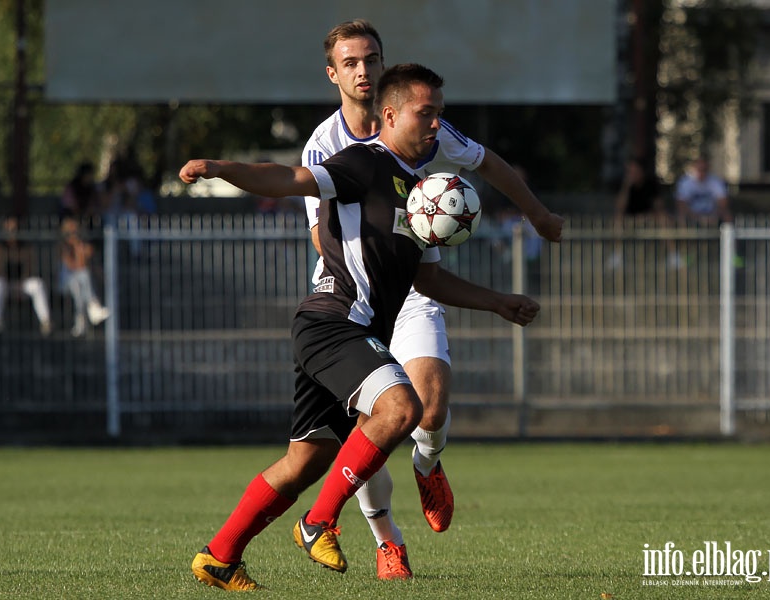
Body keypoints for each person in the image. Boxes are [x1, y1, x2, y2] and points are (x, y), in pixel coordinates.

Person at [179, 63, 542, 591]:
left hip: (344, 331)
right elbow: (289, 178)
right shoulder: (363, 163)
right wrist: (219, 167)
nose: (437, 124)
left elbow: (429, 280)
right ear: (390, 115)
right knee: (402, 407)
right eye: (427, 113)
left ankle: (219, 556)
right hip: (333, 323)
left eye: (441, 114)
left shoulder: (420, 192)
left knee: (304, 462)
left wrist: (499, 303)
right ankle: (319, 523)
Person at [298, 20, 564, 580]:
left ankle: (429, 462)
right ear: (334, 74)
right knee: (374, 424)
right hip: (352, 296)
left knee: (431, 409)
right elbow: (321, 233)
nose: (363, 70)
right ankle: (387, 542)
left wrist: (536, 211)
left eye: (371, 58)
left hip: (412, 286)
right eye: (351, 63)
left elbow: (486, 161)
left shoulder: (421, 121)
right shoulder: (324, 145)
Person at [0, 216, 52, 336]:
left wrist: (21, 282)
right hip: (6, 284)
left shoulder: (26, 247)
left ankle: (45, 321)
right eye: (9, 229)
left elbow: (31, 268)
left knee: (38, 284)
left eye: (15, 229)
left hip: (23, 283)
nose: (12, 232)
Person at [608, 156, 676, 269]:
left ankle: (673, 255)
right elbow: (619, 208)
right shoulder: (625, 185)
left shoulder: (651, 184)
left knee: (664, 218)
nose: (632, 174)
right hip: (629, 219)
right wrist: (626, 187)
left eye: (635, 171)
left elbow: (659, 206)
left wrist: (647, 216)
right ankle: (617, 255)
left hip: (650, 217)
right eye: (630, 171)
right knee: (617, 220)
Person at [58, 217, 110, 337]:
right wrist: (78, 248)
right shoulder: (63, 247)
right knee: (82, 277)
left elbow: (86, 265)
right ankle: (93, 306)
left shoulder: (82, 245)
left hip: (79, 282)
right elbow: (73, 266)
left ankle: (81, 324)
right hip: (66, 281)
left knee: (81, 286)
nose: (74, 235)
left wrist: (80, 247)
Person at [674, 156, 733, 225]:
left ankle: (727, 235)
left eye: (704, 169)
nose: (701, 172)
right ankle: (684, 235)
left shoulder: (716, 181)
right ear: (694, 168)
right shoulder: (685, 182)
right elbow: (681, 205)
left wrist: (714, 215)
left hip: (712, 214)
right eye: (699, 169)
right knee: (681, 216)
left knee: (727, 216)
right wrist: (694, 216)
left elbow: (723, 203)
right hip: (691, 214)